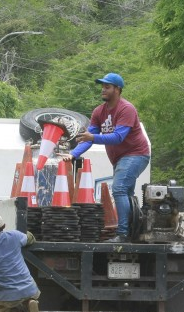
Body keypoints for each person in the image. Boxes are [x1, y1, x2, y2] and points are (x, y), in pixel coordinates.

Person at [60, 72, 150, 243]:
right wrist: (72, 154)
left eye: (107, 87)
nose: (103, 89)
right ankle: (133, 232)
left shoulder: (126, 109)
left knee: (119, 189)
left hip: (136, 154)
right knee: (127, 193)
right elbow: (88, 138)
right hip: (119, 159)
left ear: (118, 89)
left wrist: (92, 137)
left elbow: (118, 137)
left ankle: (123, 234)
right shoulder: (98, 112)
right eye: (102, 86)